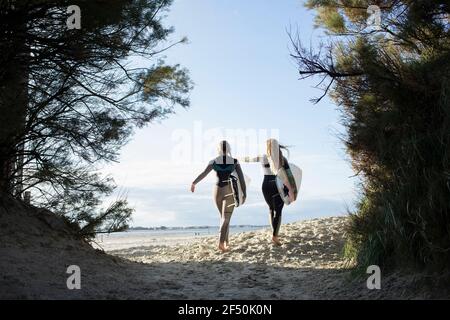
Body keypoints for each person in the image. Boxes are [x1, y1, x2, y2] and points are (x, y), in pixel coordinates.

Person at [191, 140, 246, 252]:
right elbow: (241, 178)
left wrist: (194, 183)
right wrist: (244, 193)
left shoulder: (214, 161)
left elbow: (204, 173)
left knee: (223, 217)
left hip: (216, 190)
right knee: (226, 218)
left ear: (219, 149)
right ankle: (221, 243)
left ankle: (226, 242)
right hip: (228, 190)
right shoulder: (234, 161)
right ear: (229, 149)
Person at [242, 139, 294, 246]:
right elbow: (289, 175)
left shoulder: (263, 157)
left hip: (265, 185)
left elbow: (248, 159)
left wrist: (237, 158)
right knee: (278, 211)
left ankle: (273, 232)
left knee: (271, 208)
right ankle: (275, 236)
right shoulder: (282, 159)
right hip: (277, 184)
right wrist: (292, 189)